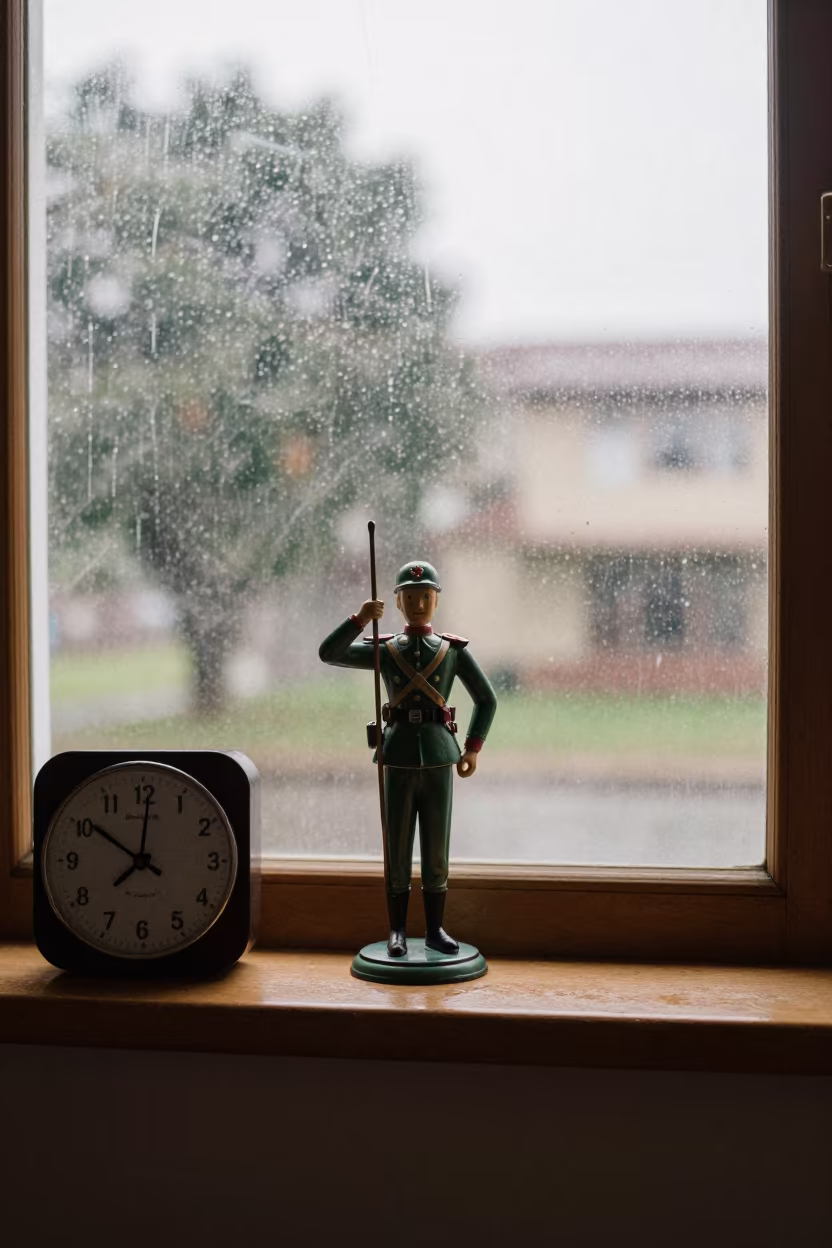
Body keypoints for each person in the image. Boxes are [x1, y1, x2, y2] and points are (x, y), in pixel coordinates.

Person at [319, 560, 497, 958]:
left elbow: (487, 698)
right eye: (410, 597)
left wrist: (472, 748)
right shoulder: (385, 649)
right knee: (396, 846)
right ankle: (396, 930)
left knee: (436, 847)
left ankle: (435, 929)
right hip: (396, 756)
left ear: (436, 600)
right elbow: (329, 654)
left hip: (437, 757)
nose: (418, 604)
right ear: (397, 603)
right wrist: (360, 618)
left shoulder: (451, 652)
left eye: (426, 596)